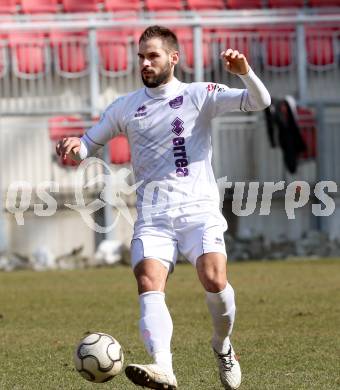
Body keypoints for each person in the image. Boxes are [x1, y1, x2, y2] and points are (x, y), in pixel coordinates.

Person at [56, 25, 271, 390]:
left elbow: (260, 102)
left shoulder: (198, 94)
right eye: (140, 56)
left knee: (215, 279)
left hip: (198, 211)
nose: (145, 62)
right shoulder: (126, 106)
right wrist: (73, 144)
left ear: (174, 57)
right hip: (154, 217)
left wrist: (245, 74)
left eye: (152, 55)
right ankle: (163, 367)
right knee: (148, 281)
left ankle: (222, 346)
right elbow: (85, 149)